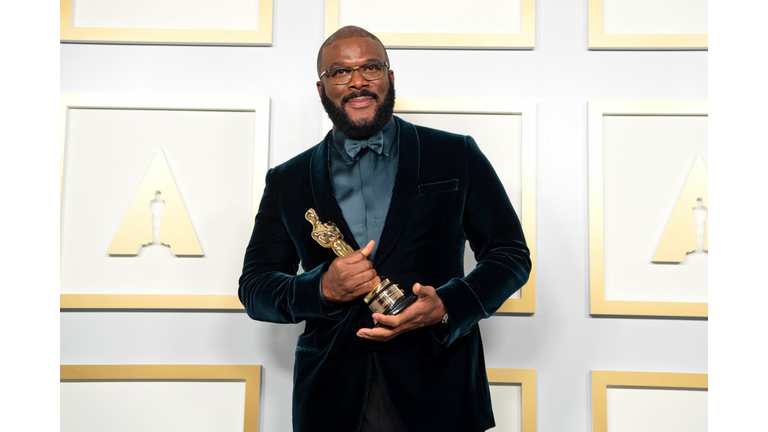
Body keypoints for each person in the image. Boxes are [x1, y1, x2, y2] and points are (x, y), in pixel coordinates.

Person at [239, 25, 531, 432]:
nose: (357, 81)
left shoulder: (454, 154)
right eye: (340, 72)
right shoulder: (287, 180)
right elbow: (254, 287)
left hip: (441, 389)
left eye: (370, 68)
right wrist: (321, 288)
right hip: (331, 398)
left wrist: (447, 305)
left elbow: (511, 255)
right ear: (321, 89)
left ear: (390, 78)